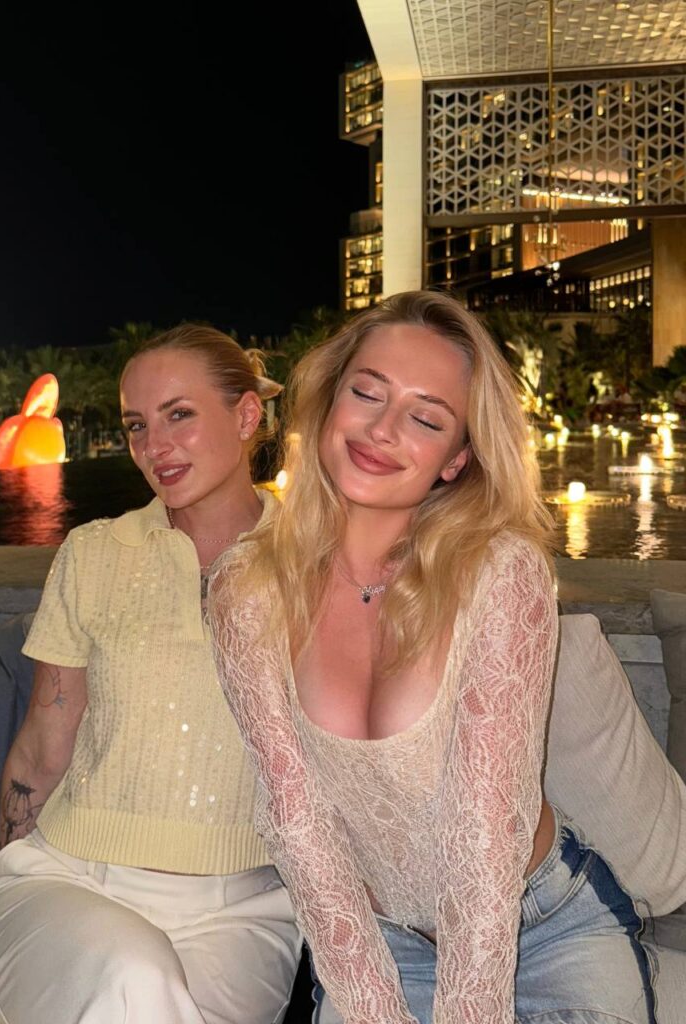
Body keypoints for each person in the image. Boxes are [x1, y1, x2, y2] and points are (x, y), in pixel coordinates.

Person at [208, 291, 656, 1024]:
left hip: (547, 926)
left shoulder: (499, 573)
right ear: (330, 400)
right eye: (368, 393)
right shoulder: (244, 587)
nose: (383, 430)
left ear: (456, 460)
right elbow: (294, 816)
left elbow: (487, 828)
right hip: (379, 941)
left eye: (426, 418)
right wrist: (372, 1004)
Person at [0, 325, 302, 1023]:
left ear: (247, 415)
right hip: (66, 881)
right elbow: (43, 746)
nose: (155, 446)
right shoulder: (95, 553)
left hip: (238, 915)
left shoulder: (317, 562)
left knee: (138, 989)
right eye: (136, 425)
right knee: (131, 976)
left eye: (179, 414)